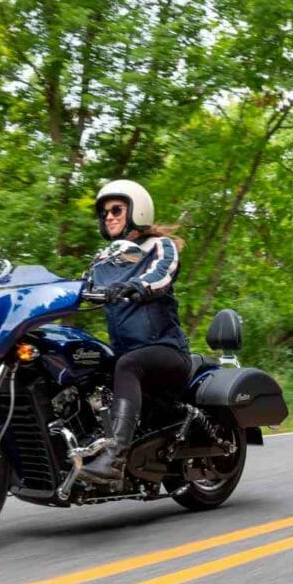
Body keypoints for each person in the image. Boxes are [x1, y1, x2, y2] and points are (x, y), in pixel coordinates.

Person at [81, 179, 192, 484]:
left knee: (127, 364)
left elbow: (161, 275)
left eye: (117, 209)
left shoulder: (159, 246)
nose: (109, 216)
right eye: (104, 213)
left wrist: (136, 286)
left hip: (166, 352)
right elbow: (76, 289)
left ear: (137, 210)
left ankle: (114, 459)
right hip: (126, 355)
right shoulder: (103, 260)